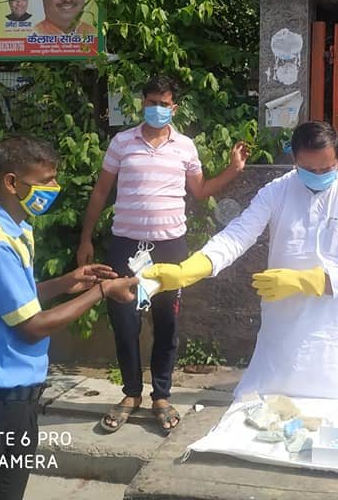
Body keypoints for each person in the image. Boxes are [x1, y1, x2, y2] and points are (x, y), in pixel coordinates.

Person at [0, 135, 138, 500]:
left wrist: (67, 283)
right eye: (45, 180)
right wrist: (101, 292)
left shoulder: (5, 226)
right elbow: (31, 327)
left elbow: (11, 299)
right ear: (11, 182)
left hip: (12, 402)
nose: (53, 188)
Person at [145, 120, 338, 402]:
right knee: (272, 416)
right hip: (286, 328)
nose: (320, 175)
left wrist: (305, 280)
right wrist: (190, 270)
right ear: (295, 161)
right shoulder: (277, 190)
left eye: (327, 169)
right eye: (310, 170)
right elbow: (238, 234)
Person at [77, 77, 248, 434]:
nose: (156, 107)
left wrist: (232, 170)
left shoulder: (185, 147)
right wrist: (85, 238)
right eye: (150, 101)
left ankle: (161, 396)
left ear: (174, 107)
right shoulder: (122, 143)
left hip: (170, 248)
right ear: (142, 103)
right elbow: (100, 192)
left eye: (163, 102)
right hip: (125, 246)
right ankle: (131, 393)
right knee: (125, 323)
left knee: (166, 323)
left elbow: (199, 192)